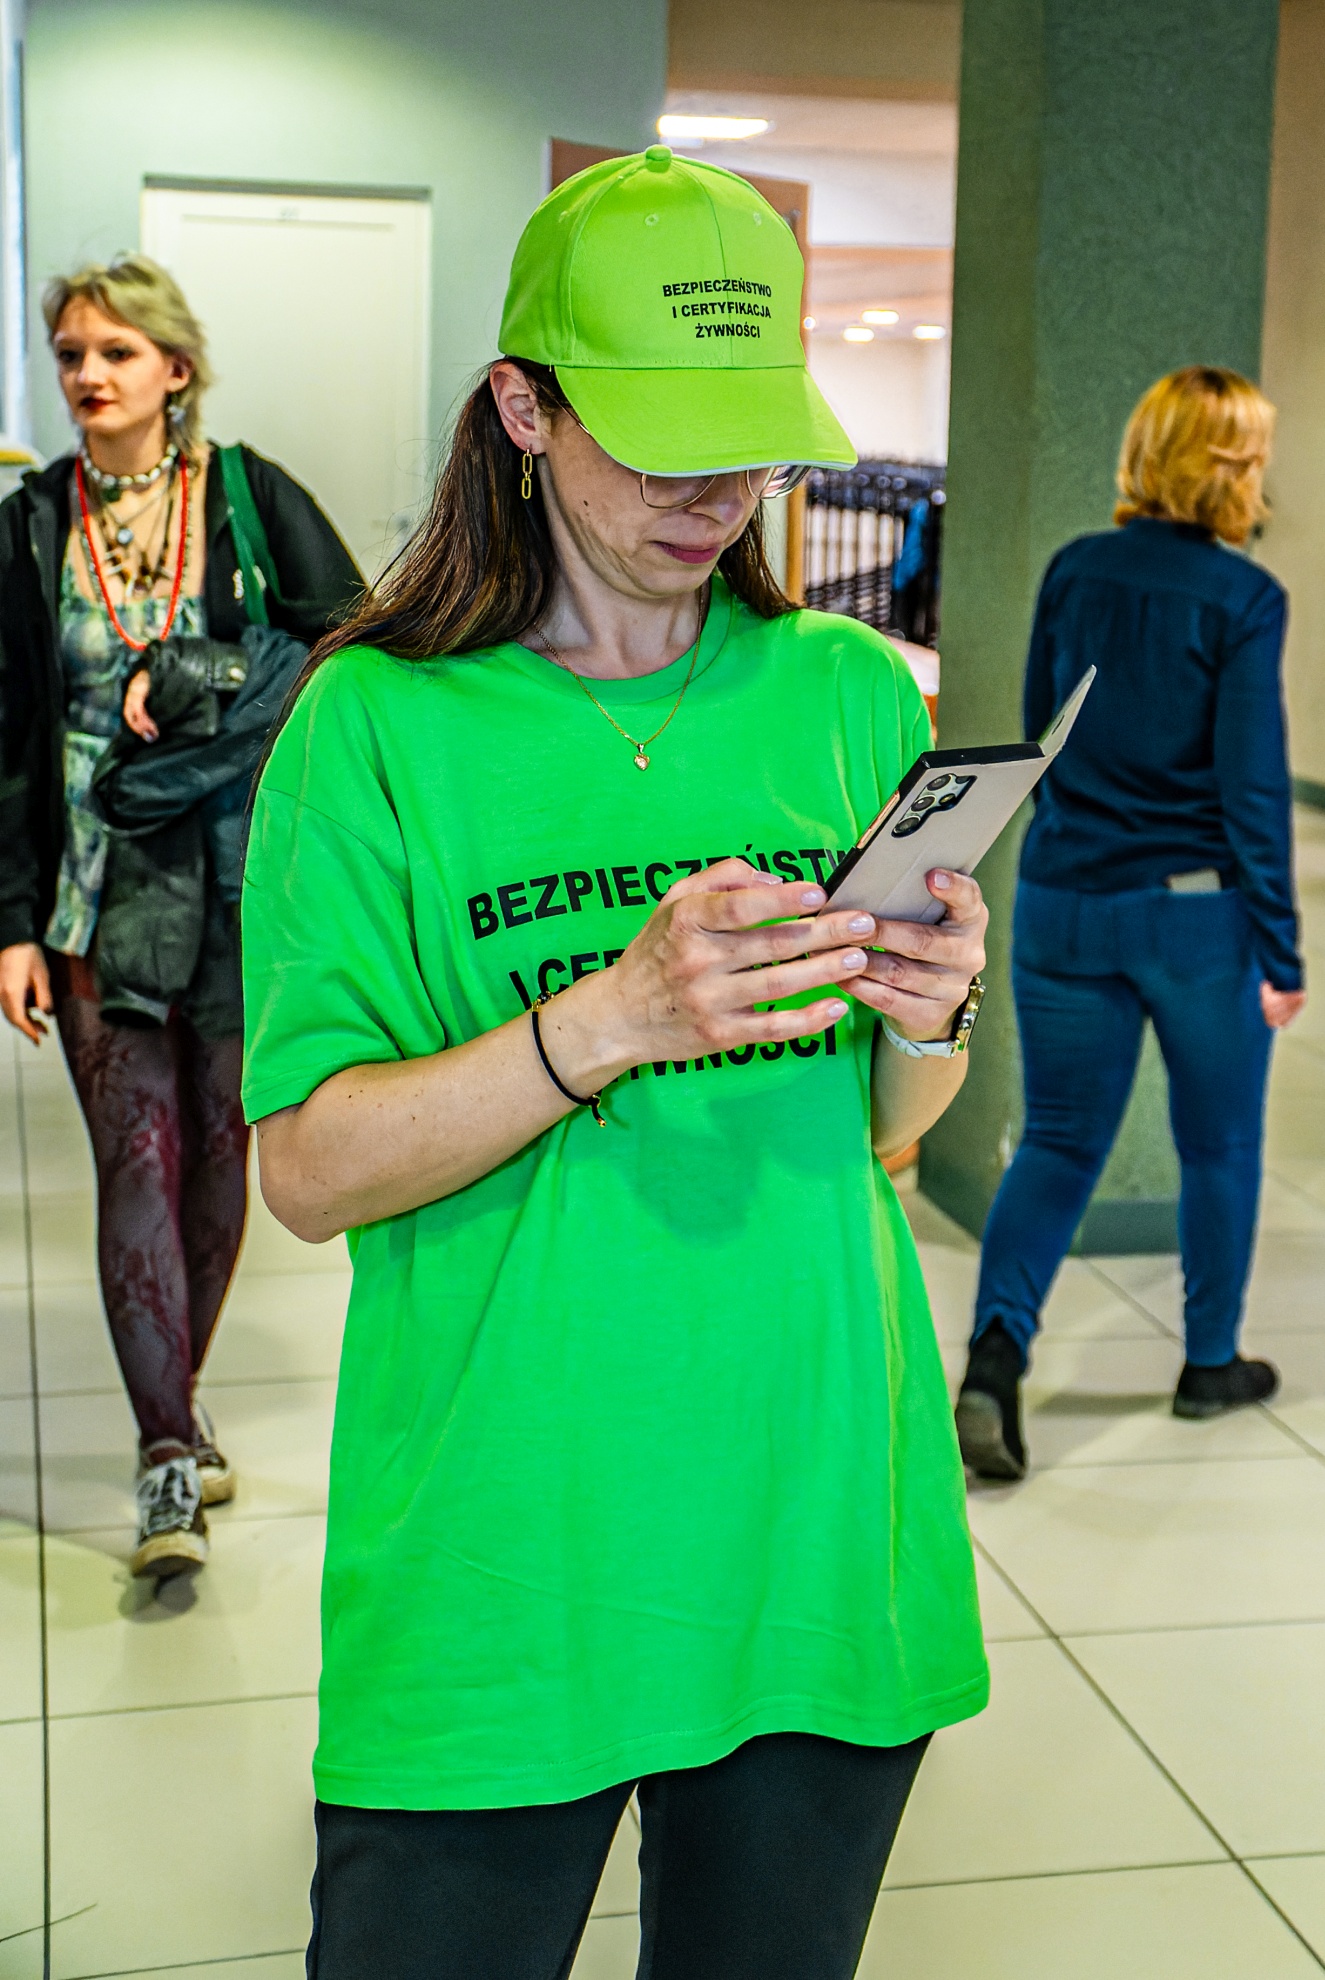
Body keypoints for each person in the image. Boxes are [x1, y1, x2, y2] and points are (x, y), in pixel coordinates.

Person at [242, 149, 990, 1977]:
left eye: (749, 444)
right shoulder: (376, 721)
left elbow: (886, 1132)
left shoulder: (846, 691)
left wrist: (930, 1008)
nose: (714, 496)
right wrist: (609, 1020)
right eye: (660, 442)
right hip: (510, 1532)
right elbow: (312, 1172)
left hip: (812, 1502)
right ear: (525, 409)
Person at [0, 254, 360, 1577]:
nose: (89, 377)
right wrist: (10, 920)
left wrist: (210, 665)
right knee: (136, 1160)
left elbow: (357, 642)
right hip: (94, 887)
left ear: (176, 368)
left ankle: (181, 1395)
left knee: (219, 1157)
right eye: (71, 356)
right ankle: (164, 1453)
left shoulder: (252, 497)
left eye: (115, 352)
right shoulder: (31, 523)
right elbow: (4, 737)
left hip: (240, 879)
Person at [956, 365, 1305, 1484]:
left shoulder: (1073, 569)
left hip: (1064, 901)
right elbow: (1253, 788)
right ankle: (1208, 1363)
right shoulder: (1244, 598)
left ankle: (993, 1361)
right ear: (1231, 469)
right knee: (1218, 1145)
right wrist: (1282, 951)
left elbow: (1038, 733)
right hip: (1195, 919)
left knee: (1056, 1142)